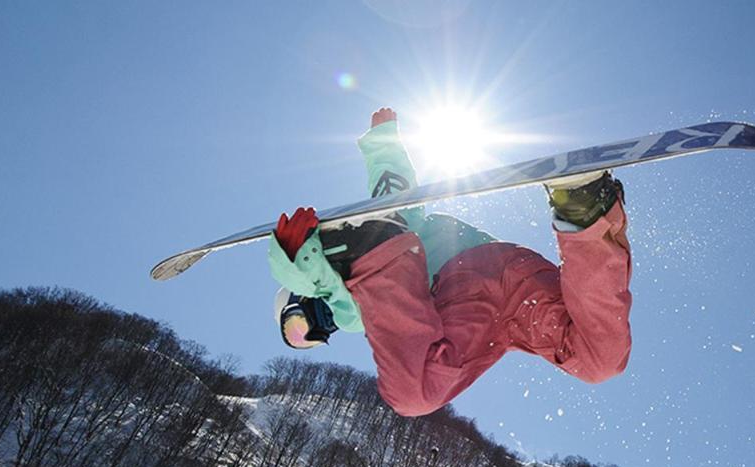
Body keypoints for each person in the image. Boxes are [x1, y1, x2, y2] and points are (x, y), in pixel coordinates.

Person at [268, 108, 633, 418]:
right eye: (311, 339)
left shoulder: (372, 290)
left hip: (458, 278)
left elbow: (392, 196)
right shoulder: (386, 302)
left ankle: (346, 263)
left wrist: (383, 143)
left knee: (412, 395)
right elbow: (392, 204)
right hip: (511, 300)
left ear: (302, 294)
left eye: (301, 323)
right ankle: (584, 207)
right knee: (600, 360)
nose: (322, 327)